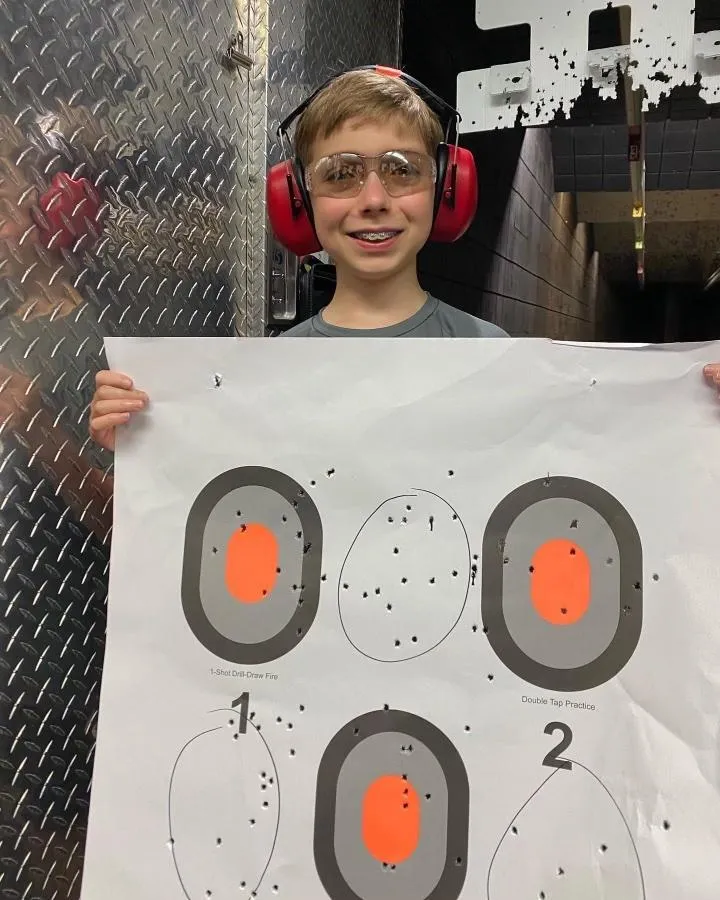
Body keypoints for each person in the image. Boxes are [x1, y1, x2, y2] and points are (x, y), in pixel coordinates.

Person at [88, 67, 720, 449]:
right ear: (299, 202)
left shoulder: (493, 354)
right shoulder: (263, 378)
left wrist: (691, 419)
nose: (372, 199)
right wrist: (149, 449)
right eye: (339, 174)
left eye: (401, 170)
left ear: (446, 192)